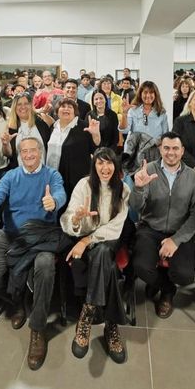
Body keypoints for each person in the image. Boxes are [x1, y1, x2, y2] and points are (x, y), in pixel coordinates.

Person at [0, 137, 67, 370]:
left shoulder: (52, 175)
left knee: (45, 267)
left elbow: (60, 193)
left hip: (42, 235)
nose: (28, 155)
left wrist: (53, 201)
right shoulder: (11, 176)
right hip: (11, 235)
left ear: (41, 152)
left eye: (32, 150)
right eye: (24, 151)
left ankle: (37, 328)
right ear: (19, 154)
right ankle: (17, 300)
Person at [61, 147, 130, 364]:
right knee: (105, 261)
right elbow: (68, 219)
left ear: (115, 166)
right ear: (94, 165)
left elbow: (116, 227)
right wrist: (77, 220)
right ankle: (111, 325)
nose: (105, 167)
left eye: (109, 163)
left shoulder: (123, 189)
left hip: (109, 239)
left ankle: (87, 315)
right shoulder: (84, 185)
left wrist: (86, 241)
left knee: (102, 250)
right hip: (90, 239)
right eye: (100, 163)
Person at [130, 132, 195, 318]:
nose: (171, 152)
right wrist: (138, 188)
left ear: (182, 151)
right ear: (160, 149)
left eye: (175, 148)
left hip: (180, 232)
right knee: (141, 266)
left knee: (185, 275)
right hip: (150, 228)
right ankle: (167, 289)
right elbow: (135, 206)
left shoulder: (193, 177)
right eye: (166, 148)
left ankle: (164, 286)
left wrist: (176, 240)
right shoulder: (148, 170)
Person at [46, 98, 101, 197]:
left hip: (75, 180)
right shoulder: (53, 127)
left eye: (70, 107)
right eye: (63, 106)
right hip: (54, 176)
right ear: (57, 111)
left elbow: (95, 149)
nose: (66, 109)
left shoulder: (84, 127)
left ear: (75, 112)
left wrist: (96, 135)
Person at [4, 92, 51, 169]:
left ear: (31, 105)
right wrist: (5, 144)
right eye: (19, 104)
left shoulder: (42, 120)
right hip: (20, 174)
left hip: (43, 171)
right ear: (14, 107)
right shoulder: (10, 127)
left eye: (26, 103)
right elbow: (8, 155)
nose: (23, 107)